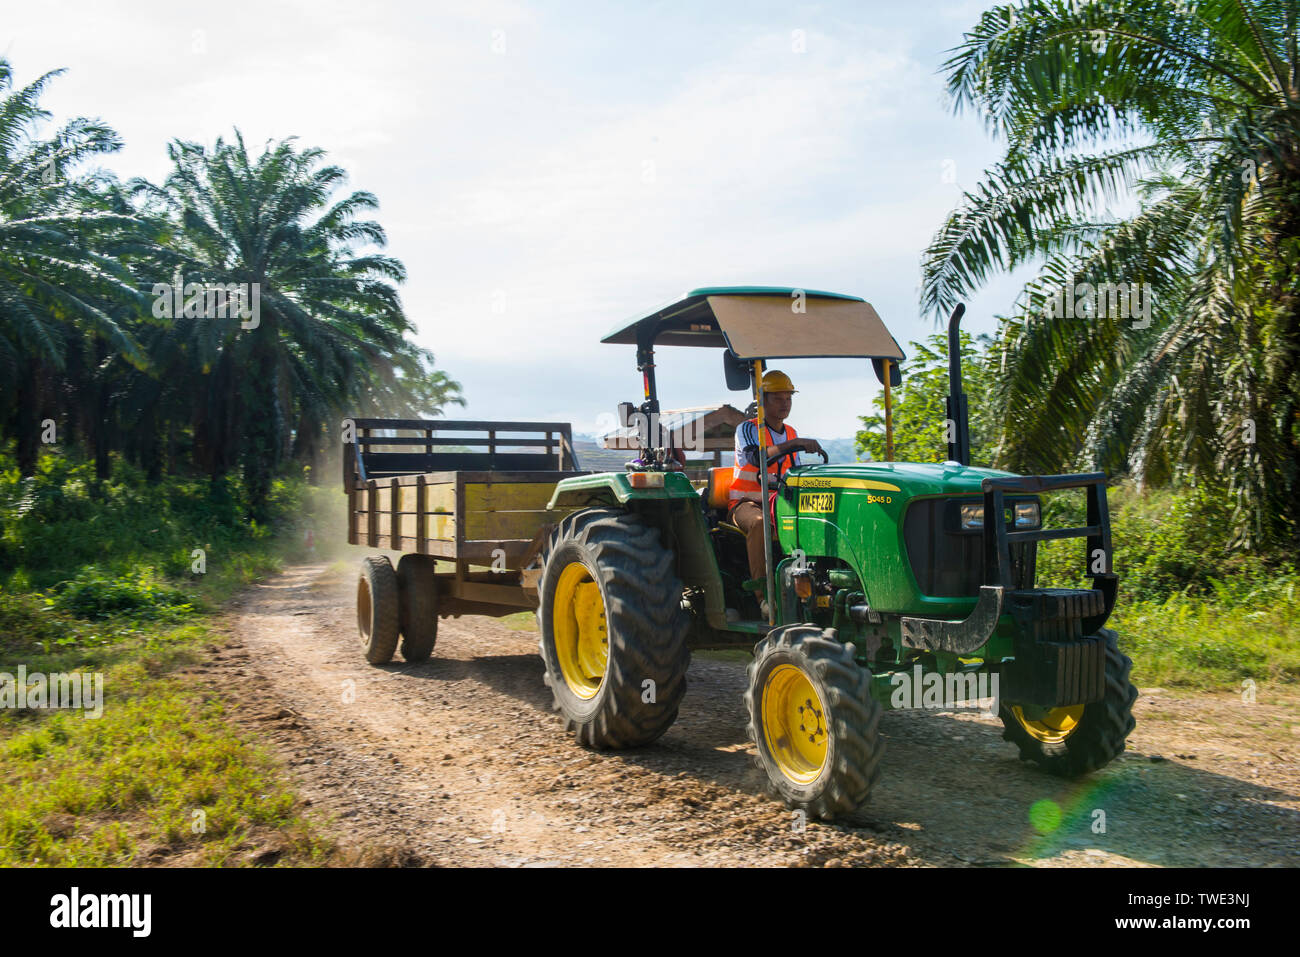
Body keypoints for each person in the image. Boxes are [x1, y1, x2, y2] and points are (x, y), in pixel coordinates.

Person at [727, 370, 824, 594]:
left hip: (778, 504)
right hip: (746, 505)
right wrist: (794, 444)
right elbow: (756, 457)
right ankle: (763, 596)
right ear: (763, 401)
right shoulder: (749, 429)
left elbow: (795, 472)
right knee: (760, 523)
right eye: (778, 399)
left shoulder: (791, 432)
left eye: (788, 398)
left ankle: (809, 589)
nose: (785, 404)